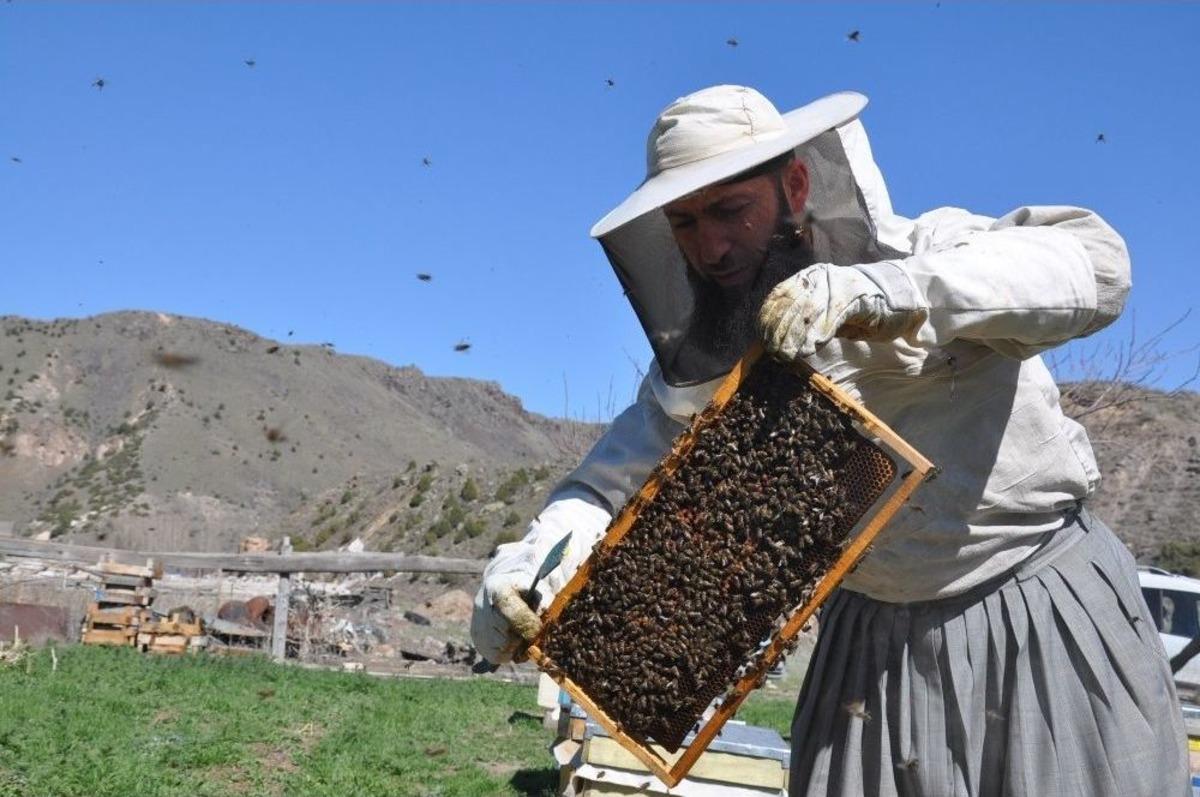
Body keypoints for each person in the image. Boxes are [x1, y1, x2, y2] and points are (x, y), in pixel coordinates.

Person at [470, 84, 1189, 796]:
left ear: (797, 183)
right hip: (868, 649)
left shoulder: (930, 248)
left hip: (1038, 612)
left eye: (729, 210)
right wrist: (536, 561)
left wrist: (895, 293)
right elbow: (606, 486)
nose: (710, 247)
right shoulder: (711, 365)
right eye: (684, 223)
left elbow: (1096, 268)